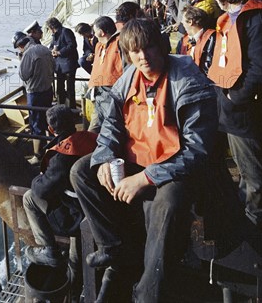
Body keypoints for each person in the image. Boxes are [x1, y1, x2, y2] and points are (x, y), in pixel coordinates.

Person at [71, 18, 218, 302]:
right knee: (81, 172)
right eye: (135, 51)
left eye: (149, 48)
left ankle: (149, 289)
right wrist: (104, 158)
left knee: (167, 203)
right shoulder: (128, 80)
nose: (143, 57)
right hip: (137, 156)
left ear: (162, 48)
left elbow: (198, 150)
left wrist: (146, 177)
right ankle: (114, 247)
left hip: (174, 166)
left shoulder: (188, 81)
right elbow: (111, 127)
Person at [208, 0, 262, 228]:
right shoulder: (233, 19)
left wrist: (236, 97)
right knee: (244, 169)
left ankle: (256, 224)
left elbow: (261, 68)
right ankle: (245, 214)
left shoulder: (255, 20)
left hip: (244, 110)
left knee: (253, 173)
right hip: (230, 108)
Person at [24, 105, 98, 269]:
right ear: (74, 122)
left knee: (29, 197)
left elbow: (42, 190)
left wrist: (39, 178)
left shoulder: (61, 157)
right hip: (97, 203)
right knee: (76, 257)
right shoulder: (90, 138)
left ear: (50, 129)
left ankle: (49, 250)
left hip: (77, 213)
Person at [13, 31, 55, 164]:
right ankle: (52, 149)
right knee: (47, 120)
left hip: (35, 93)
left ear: (20, 45)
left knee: (36, 124)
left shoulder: (28, 53)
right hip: (48, 90)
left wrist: (21, 59)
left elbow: (24, 75)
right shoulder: (44, 49)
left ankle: (37, 156)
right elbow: (54, 67)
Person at [87, 16, 124, 133]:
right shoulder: (99, 46)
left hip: (111, 91)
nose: (93, 33)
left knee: (111, 126)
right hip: (98, 92)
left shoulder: (120, 43)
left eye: (94, 30)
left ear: (101, 32)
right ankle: (90, 149)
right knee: (94, 128)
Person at [46, 17, 79, 109]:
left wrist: (60, 52)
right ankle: (60, 108)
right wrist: (52, 51)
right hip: (59, 66)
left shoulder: (65, 32)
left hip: (68, 65)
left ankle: (71, 110)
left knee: (70, 89)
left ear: (51, 27)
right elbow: (52, 46)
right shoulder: (55, 35)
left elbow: (72, 45)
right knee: (59, 88)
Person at [177, 5, 216, 76]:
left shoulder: (212, 39)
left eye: (183, 21)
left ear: (190, 22)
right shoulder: (182, 42)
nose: (182, 24)